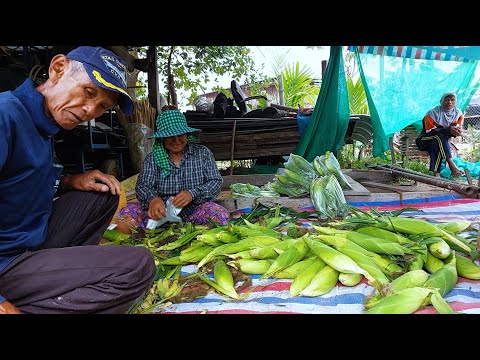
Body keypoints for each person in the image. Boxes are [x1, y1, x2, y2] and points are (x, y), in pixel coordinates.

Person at [0, 46, 156, 314]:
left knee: (102, 193)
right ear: (58, 68)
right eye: (88, 92)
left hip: (28, 244)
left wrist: (69, 181)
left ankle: (55, 281)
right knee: (138, 266)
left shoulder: (44, 125)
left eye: (101, 107)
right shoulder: (5, 116)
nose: (88, 110)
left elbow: (18, 177)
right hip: (5, 262)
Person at [114, 106, 230, 234]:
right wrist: (153, 199)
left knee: (218, 215)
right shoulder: (152, 158)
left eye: (180, 135)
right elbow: (143, 186)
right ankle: (135, 246)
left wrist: (192, 193)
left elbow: (215, 182)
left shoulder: (202, 153)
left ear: (187, 134)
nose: (176, 141)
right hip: (159, 213)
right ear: (162, 138)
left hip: (194, 210)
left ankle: (194, 237)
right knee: (125, 216)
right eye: (170, 136)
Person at [416, 92, 464, 177]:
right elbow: (430, 131)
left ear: (455, 102)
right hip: (424, 140)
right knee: (439, 137)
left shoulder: (458, 114)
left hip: (439, 142)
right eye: (447, 99)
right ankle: (451, 164)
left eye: (452, 100)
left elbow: (455, 130)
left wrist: (457, 132)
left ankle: (436, 173)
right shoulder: (432, 113)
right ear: (441, 101)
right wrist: (448, 130)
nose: (449, 102)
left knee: (435, 144)